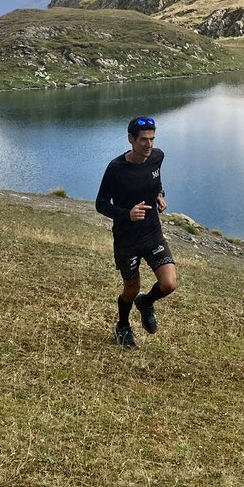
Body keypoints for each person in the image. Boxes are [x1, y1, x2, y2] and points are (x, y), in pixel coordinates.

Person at [95, 116, 178, 350]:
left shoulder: (157, 157)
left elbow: (156, 181)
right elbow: (101, 204)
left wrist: (160, 195)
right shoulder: (116, 168)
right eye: (143, 140)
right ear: (131, 139)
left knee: (169, 283)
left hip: (152, 234)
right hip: (127, 240)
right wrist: (127, 214)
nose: (148, 145)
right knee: (131, 288)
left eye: (152, 139)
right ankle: (123, 326)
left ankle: (146, 303)